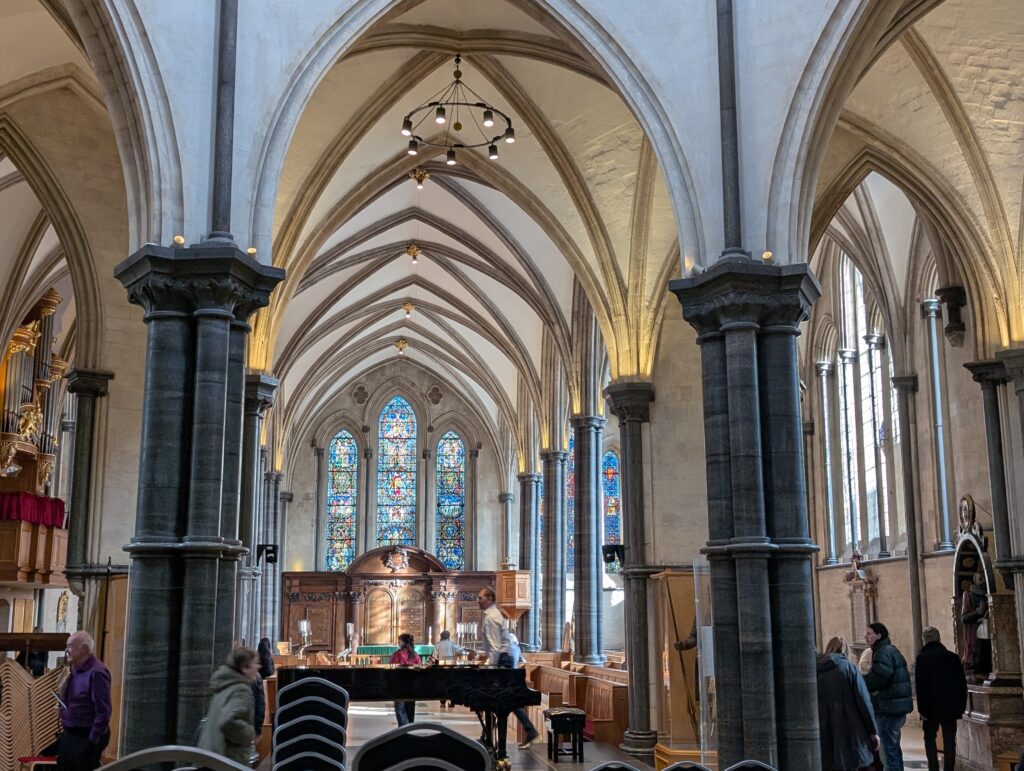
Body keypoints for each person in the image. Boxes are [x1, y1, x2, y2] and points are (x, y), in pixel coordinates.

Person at [478, 586, 542, 749]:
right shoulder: (493, 614)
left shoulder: (491, 617)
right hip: (504, 659)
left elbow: (495, 647)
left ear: (490, 599)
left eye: (480, 598)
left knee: (503, 700)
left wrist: (491, 668)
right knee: (503, 700)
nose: (478, 601)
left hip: (502, 660)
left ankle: (494, 740)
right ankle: (488, 737)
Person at [816, 636, 879, 771]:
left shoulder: (815, 669)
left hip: (823, 726)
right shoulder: (849, 668)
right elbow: (863, 700)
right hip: (849, 725)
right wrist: (872, 730)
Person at [56, 631, 112, 771]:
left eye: (71, 646)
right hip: (69, 735)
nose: (67, 650)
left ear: (85, 649)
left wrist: (92, 741)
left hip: (85, 735)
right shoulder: (75, 669)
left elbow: (103, 711)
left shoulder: (97, 672)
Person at [915, 626, 967, 771]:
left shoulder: (922, 658)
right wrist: (961, 706)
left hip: (930, 707)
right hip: (950, 706)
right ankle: (949, 768)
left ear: (924, 640)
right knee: (949, 740)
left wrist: (922, 710)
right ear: (939, 638)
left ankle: (933, 768)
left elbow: (920, 687)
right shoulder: (953, 657)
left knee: (929, 738)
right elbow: (961, 684)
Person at [863, 622, 913, 771]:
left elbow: (880, 677)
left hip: (888, 708)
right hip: (894, 707)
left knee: (889, 753)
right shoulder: (889, 649)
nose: (866, 636)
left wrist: (861, 681)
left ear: (879, 635)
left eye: (869, 633)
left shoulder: (883, 651)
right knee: (893, 750)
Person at [197, 646, 258, 766]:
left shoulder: (225, 683)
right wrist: (250, 733)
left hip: (210, 753)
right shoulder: (240, 690)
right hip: (227, 758)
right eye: (255, 663)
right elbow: (228, 721)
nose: (258, 667)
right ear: (245, 667)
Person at [389, 633, 421, 725]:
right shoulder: (415, 655)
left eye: (399, 641)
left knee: (400, 709)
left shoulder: (397, 654)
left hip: (399, 685)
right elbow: (419, 669)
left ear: (403, 642)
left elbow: (391, 669)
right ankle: (410, 726)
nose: (398, 642)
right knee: (410, 708)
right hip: (412, 686)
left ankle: (403, 728)